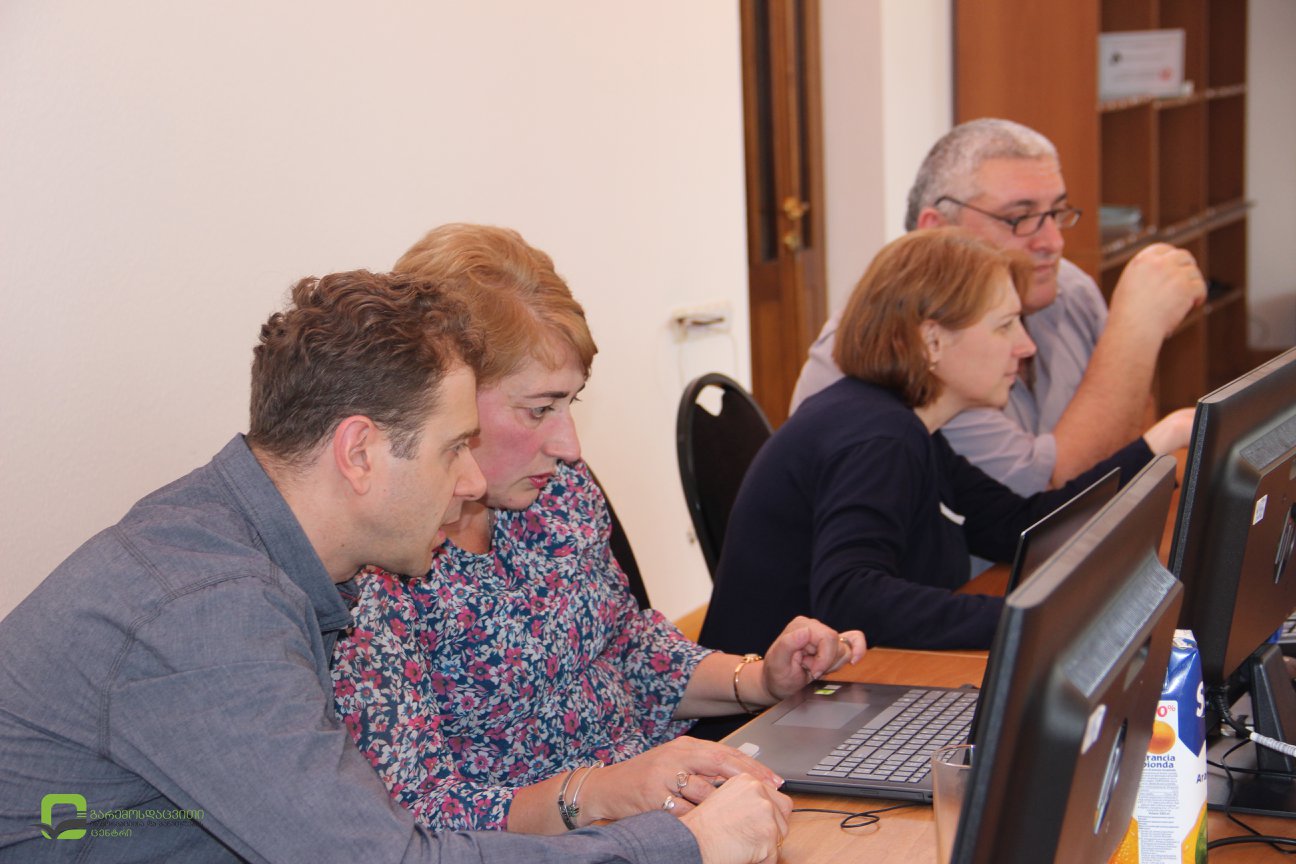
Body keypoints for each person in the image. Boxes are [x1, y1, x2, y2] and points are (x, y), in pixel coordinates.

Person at [0, 270, 790, 864]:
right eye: (453, 449)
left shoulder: (241, 539)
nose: (472, 482)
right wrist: (684, 846)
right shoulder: (209, 613)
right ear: (359, 452)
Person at [332, 224, 866, 834]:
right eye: (539, 409)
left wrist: (759, 679)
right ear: (445, 398)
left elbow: (625, 646)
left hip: (660, 805)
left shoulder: (554, 492)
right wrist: (604, 792)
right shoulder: (375, 559)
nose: (569, 445)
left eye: (571, 403)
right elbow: (415, 816)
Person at [700, 228, 1194, 655]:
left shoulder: (905, 426)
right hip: (767, 718)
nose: (1025, 346)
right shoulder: (879, 438)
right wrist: (1028, 620)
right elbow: (852, 596)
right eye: (1005, 326)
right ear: (931, 341)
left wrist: (1159, 442)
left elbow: (1019, 527)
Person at [790, 118, 1206, 495]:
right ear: (937, 229)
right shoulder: (904, 343)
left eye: (1056, 213)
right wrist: (1135, 332)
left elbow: (1129, 425)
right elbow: (1048, 494)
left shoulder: (1067, 288)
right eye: (1019, 218)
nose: (1053, 242)